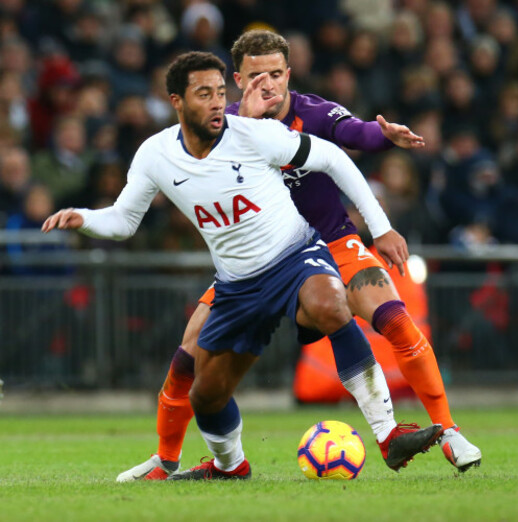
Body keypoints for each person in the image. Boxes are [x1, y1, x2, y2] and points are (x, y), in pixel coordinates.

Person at [42, 51, 442, 481]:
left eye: (220, 92)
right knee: (206, 395)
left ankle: (388, 434)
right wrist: (84, 218)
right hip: (235, 287)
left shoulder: (251, 134)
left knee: (331, 305)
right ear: (177, 101)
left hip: (295, 258)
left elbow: (332, 157)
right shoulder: (155, 154)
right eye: (203, 94)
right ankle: (230, 466)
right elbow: (122, 221)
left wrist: (379, 227)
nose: (217, 103)